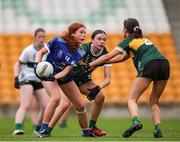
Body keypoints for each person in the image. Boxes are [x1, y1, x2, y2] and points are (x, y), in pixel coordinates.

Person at [87, 18, 170, 138]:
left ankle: (135, 122)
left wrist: (90, 64)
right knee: (154, 101)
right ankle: (158, 129)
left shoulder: (127, 41)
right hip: (164, 64)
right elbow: (121, 58)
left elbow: (107, 56)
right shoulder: (144, 39)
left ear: (125, 30)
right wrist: (102, 63)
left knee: (132, 99)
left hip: (150, 64)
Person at [48, 30, 111, 136]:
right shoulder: (83, 49)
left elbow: (108, 79)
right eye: (99, 39)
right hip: (69, 79)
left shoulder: (105, 54)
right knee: (65, 104)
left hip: (84, 81)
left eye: (104, 40)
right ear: (92, 40)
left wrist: (97, 88)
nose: (102, 42)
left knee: (100, 96)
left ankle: (91, 127)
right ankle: (46, 130)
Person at [34, 22, 93, 137]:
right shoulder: (57, 41)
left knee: (80, 106)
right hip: (47, 73)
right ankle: (43, 130)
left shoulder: (80, 52)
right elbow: (40, 52)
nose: (84, 35)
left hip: (63, 76)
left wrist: (55, 77)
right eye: (81, 32)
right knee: (56, 98)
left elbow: (67, 70)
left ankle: (86, 134)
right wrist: (37, 65)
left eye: (85, 33)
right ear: (71, 33)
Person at [13, 28, 49, 135]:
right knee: (25, 104)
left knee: (46, 106)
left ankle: (37, 128)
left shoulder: (47, 49)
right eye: (39, 37)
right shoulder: (28, 50)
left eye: (43, 37)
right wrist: (16, 78)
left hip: (39, 79)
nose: (42, 39)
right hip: (26, 79)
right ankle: (18, 127)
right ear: (35, 38)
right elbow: (17, 64)